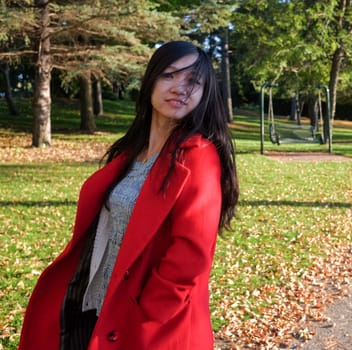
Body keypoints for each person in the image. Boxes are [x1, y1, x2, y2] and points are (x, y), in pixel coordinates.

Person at [18, 40, 239, 350]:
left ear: (204, 94)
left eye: (193, 81)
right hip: (98, 300)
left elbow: (192, 253)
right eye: (169, 75)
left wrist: (148, 310)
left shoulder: (198, 156)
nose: (180, 87)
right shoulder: (131, 152)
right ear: (150, 81)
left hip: (150, 324)